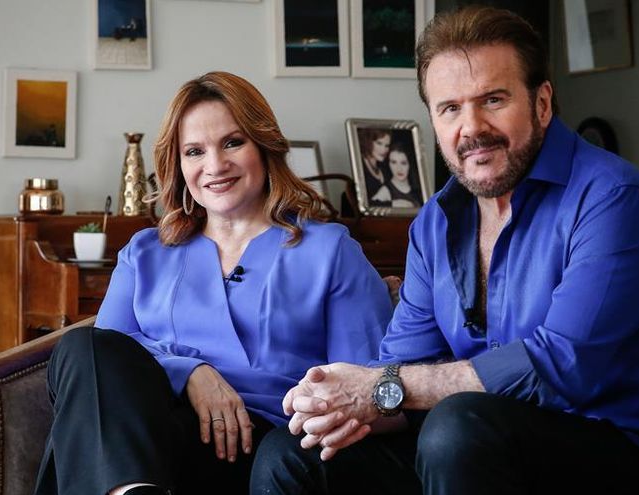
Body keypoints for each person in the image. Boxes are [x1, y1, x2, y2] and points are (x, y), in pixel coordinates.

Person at [251, 6, 639, 495]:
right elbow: (406, 367)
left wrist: (383, 387)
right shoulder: (435, 222)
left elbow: (564, 368)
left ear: (541, 103)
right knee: (291, 454)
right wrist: (334, 404)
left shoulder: (612, 198)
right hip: (475, 447)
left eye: (493, 100)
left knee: (459, 427)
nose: (471, 128)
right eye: (449, 108)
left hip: (625, 449)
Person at [33, 71, 392, 495]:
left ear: (264, 146)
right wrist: (191, 373)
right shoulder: (144, 252)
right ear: (178, 165)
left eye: (233, 143)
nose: (215, 165)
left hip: (259, 450)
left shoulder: (329, 250)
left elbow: (364, 385)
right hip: (150, 440)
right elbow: (105, 364)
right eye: (194, 151)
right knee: (83, 346)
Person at [370, 141, 423, 208]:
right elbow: (369, 207)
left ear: (410, 164)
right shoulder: (386, 190)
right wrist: (392, 204)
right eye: (393, 162)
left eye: (403, 163)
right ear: (388, 164)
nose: (399, 169)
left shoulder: (419, 189)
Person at [356, 128, 392, 206]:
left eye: (387, 145)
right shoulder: (359, 166)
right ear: (367, 142)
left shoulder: (386, 167)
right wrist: (392, 204)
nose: (384, 150)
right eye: (379, 143)